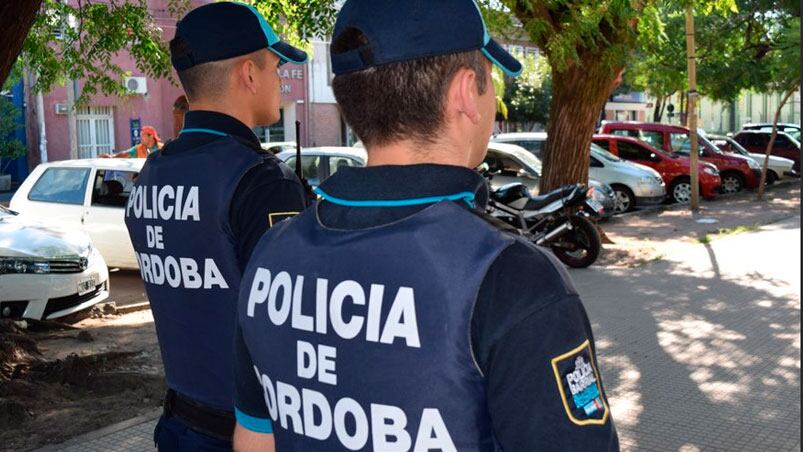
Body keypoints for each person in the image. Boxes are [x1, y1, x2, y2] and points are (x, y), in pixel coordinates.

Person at [233, 0, 619, 451]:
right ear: (464, 91)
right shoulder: (512, 277)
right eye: (489, 83)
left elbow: (254, 440)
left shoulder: (272, 254)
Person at [124, 2, 308, 450]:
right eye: (275, 66)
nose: (279, 79)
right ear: (248, 74)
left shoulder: (152, 173)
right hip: (253, 432)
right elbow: (288, 325)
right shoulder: (260, 180)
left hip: (179, 423)